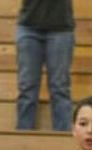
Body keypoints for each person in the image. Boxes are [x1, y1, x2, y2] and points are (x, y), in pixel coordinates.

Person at [15, 0, 74, 132]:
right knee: (27, 88)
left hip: (61, 28)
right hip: (28, 26)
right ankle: (23, 139)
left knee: (60, 88)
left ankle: (63, 140)